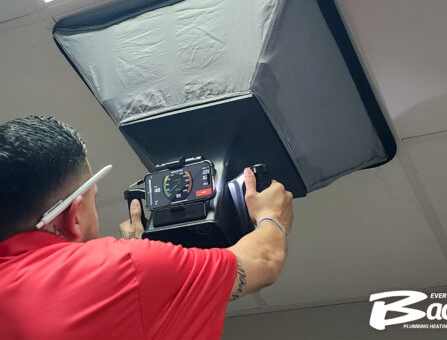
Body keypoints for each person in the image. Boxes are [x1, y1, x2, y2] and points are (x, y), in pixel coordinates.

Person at [0, 116, 293, 340]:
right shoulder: (126, 269)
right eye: (94, 201)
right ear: (74, 217)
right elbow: (264, 261)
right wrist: (271, 214)